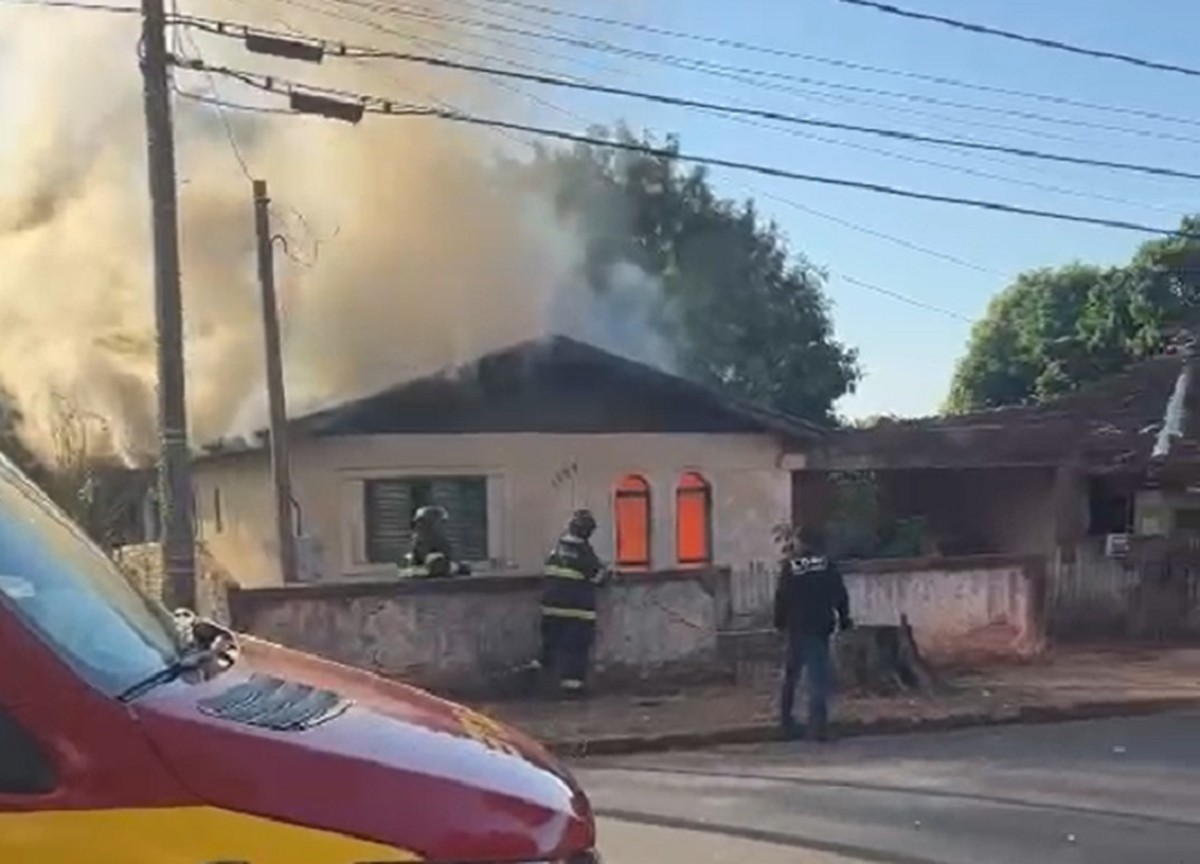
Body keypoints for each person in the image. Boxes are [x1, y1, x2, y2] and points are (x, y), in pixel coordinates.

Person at [773, 525, 852, 741]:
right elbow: (840, 594)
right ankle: (818, 726)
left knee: (791, 675)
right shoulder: (827, 565)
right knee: (818, 678)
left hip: (797, 626)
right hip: (820, 626)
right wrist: (844, 618)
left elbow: (782, 597)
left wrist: (779, 623)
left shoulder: (792, 566)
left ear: (801, 542)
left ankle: (786, 723)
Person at [535, 509, 607, 697]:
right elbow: (598, 578)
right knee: (576, 652)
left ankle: (537, 684)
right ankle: (572, 691)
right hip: (577, 612)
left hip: (550, 610)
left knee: (550, 649)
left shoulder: (557, 549)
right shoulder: (583, 552)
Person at [399, 505, 471, 579]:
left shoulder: (437, 556)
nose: (418, 528)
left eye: (422, 524)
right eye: (418, 524)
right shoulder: (410, 557)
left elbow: (438, 568)